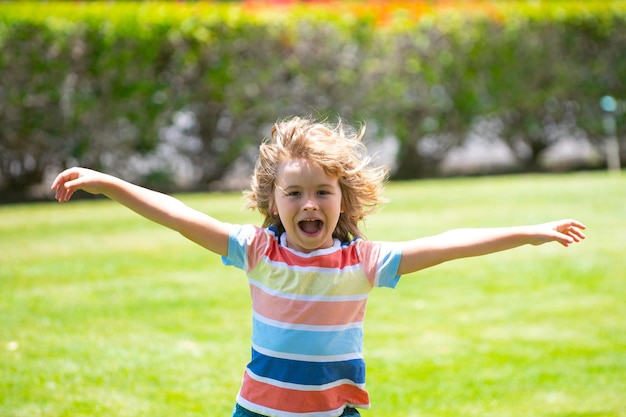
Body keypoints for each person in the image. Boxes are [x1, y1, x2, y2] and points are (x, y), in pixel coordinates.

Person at [51, 116, 586, 417]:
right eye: (296, 193)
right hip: (260, 413)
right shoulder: (257, 250)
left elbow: (450, 243)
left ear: (343, 199)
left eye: (323, 192)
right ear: (274, 200)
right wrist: (108, 182)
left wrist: (527, 233)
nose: (310, 204)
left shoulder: (364, 262)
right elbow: (178, 214)